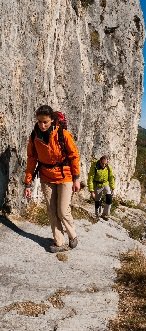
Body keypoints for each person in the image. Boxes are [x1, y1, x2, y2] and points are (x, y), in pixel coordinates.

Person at [24, 105, 81, 253]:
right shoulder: (34, 135)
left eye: (46, 122)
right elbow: (32, 158)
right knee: (51, 210)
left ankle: (73, 235)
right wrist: (28, 183)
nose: (42, 125)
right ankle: (59, 242)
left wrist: (76, 178)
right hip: (46, 176)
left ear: (52, 121)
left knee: (62, 210)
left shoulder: (62, 134)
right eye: (39, 122)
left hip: (65, 175)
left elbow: (74, 156)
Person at [87, 155, 115, 220]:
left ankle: (105, 214)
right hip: (97, 185)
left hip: (105, 184)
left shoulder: (108, 167)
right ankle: (97, 214)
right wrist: (91, 191)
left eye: (105, 164)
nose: (103, 165)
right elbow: (90, 179)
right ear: (100, 161)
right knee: (97, 201)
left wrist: (112, 188)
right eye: (102, 163)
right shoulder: (94, 167)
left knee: (109, 198)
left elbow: (111, 177)